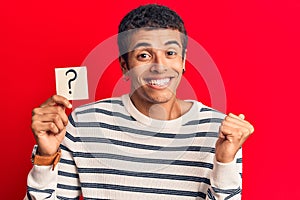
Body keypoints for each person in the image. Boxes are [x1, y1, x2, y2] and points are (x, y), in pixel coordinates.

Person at [25, 4, 254, 200]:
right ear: (125, 66)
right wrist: (45, 158)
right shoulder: (82, 123)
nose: (159, 65)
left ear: (183, 61)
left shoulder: (219, 130)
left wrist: (224, 161)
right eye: (144, 55)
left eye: (171, 53)